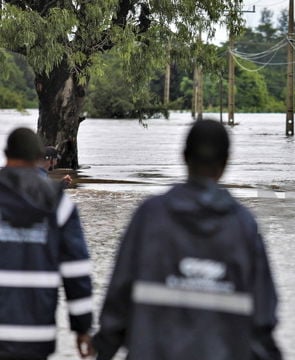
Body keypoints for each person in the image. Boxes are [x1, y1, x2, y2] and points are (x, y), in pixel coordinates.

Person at [92, 120, 282, 360]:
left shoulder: (150, 216)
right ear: (225, 162)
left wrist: (104, 348)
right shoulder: (243, 224)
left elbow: (118, 298)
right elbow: (263, 317)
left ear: (184, 156)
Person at [0, 128, 93, 360]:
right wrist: (82, 328)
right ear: (37, 158)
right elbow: (76, 271)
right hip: (37, 333)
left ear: (5, 154)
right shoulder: (58, 202)